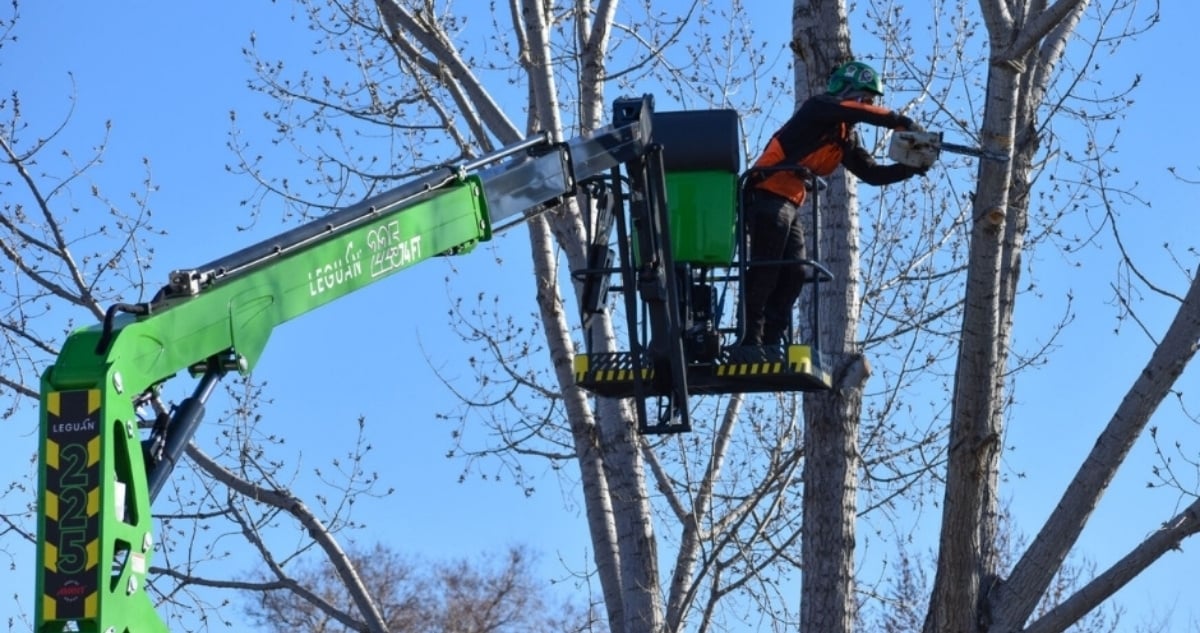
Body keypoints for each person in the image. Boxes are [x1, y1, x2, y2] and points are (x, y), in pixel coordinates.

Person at [737, 60, 927, 350]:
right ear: (846, 91)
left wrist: (909, 169)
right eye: (864, 98)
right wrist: (898, 120)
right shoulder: (819, 108)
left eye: (871, 100)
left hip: (789, 203)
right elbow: (852, 110)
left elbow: (871, 173)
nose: (867, 104)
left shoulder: (843, 137)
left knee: (796, 271)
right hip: (765, 195)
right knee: (767, 269)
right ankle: (749, 339)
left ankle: (772, 339)